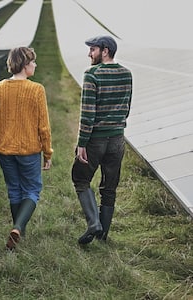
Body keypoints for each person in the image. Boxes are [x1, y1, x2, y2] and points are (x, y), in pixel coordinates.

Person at [0, 47, 53, 250]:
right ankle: (19, 227)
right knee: (32, 189)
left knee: (14, 190)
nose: (35, 65)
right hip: (29, 150)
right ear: (25, 65)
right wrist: (47, 152)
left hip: (4, 150)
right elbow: (43, 126)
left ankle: (19, 232)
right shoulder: (37, 89)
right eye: (33, 62)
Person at [71, 35, 132, 245]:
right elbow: (127, 108)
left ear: (105, 51)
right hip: (117, 139)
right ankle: (103, 236)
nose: (89, 54)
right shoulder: (127, 74)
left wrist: (81, 143)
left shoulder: (92, 74)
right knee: (109, 187)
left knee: (80, 179)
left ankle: (93, 224)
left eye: (93, 50)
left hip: (96, 139)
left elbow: (87, 114)